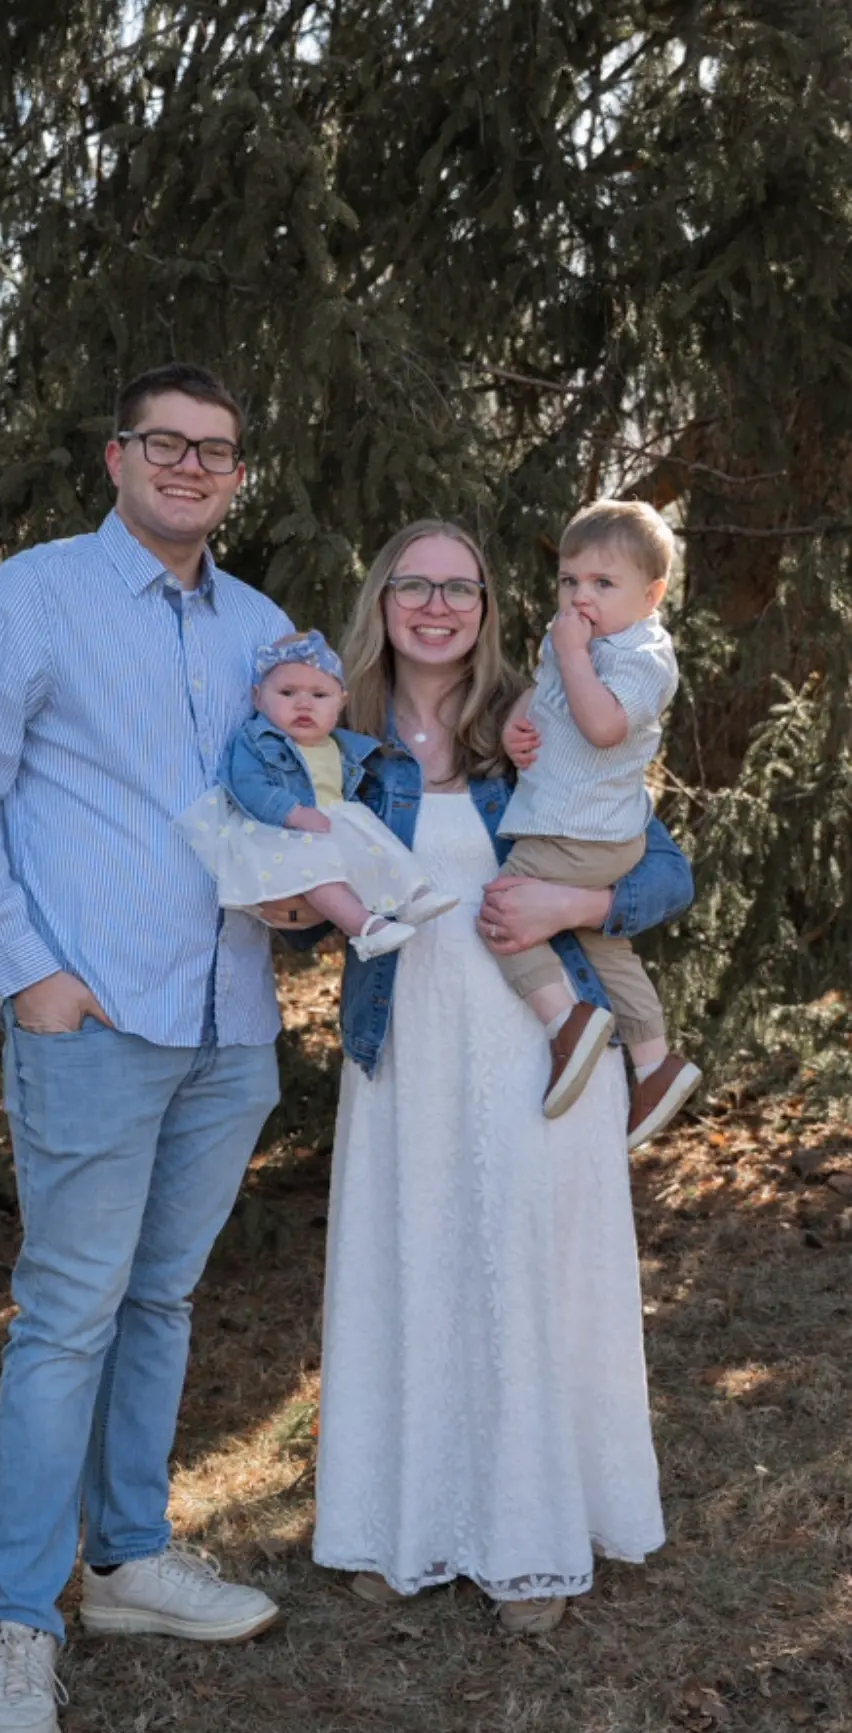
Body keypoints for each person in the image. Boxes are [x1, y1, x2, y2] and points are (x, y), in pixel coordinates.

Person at [0, 363, 298, 1733]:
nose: (194, 466)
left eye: (219, 451)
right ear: (117, 456)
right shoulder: (33, 597)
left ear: (237, 477)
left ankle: (130, 1561)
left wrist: (307, 883)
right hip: (94, 1022)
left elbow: (276, 806)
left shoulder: (260, 628)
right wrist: (34, 977)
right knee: (68, 1315)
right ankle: (20, 1622)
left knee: (164, 1301)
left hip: (229, 1027)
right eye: (168, 444)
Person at [304, 518, 693, 1633]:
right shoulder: (339, 739)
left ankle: (534, 1541)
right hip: (404, 1055)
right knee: (413, 1268)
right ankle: (403, 1524)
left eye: (461, 587)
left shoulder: (540, 719)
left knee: (529, 1274)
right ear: (382, 601)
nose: (437, 605)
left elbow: (663, 871)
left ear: (486, 606)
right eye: (413, 585)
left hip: (546, 1050)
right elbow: (296, 903)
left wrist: (576, 906)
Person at [494, 498, 701, 1146]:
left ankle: (566, 1025)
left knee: (504, 912)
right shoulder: (576, 641)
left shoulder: (642, 654)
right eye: (570, 580)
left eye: (603, 584)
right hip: (576, 827)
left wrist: (574, 654)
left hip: (581, 833)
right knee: (608, 948)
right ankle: (654, 1061)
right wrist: (516, 722)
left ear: (651, 595)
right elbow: (546, 689)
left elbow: (605, 725)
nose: (581, 597)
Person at [177, 628, 457, 959]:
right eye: (287, 692)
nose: (304, 704)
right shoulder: (256, 740)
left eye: (319, 696)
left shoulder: (340, 745)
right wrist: (292, 812)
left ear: (341, 701)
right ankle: (366, 929)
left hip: (330, 818)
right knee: (320, 876)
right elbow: (248, 785)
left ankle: (412, 896)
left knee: (378, 842)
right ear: (257, 698)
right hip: (282, 830)